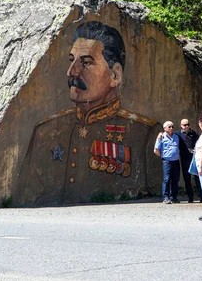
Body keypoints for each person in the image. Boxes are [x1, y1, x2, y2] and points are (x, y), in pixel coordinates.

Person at [15, 21, 161, 205]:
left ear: (115, 75)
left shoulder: (144, 133)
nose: (72, 71)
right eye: (71, 60)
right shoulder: (44, 131)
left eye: (86, 62)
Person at [176, 119, 202, 203]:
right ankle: (190, 197)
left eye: (188, 124)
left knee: (197, 177)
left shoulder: (194, 133)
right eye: (184, 125)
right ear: (181, 125)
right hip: (184, 158)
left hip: (194, 158)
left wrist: (195, 149)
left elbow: (199, 143)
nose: (186, 126)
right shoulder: (178, 134)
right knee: (187, 178)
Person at [154, 121, 181, 204]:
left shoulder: (176, 136)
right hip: (167, 161)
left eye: (172, 126)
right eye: (169, 127)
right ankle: (165, 197)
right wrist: (164, 157)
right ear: (165, 128)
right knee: (167, 179)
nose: (171, 128)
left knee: (175, 179)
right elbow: (156, 150)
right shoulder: (161, 137)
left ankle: (174, 197)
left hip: (176, 161)